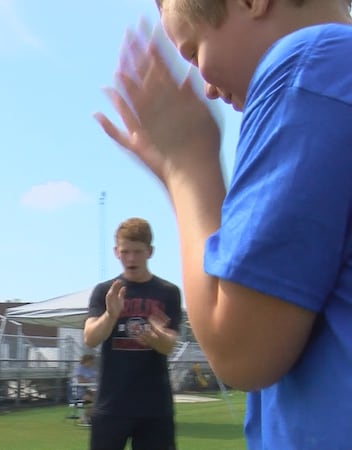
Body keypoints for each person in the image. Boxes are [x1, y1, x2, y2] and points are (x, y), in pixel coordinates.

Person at [93, 1, 352, 449]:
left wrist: (187, 168)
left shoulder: (308, 66)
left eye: (194, 52)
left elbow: (242, 351)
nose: (208, 89)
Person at [83, 217, 182, 450]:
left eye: (138, 252)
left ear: (150, 252)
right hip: (111, 406)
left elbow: (169, 345)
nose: (131, 258)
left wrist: (156, 338)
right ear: (116, 252)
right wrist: (111, 314)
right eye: (125, 251)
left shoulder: (168, 292)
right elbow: (90, 338)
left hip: (155, 408)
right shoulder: (105, 291)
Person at [70, 353, 97, 425]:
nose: (92, 363)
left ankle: (87, 417)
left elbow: (95, 378)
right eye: (91, 362)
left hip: (87, 390)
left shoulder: (89, 369)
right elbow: (80, 380)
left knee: (99, 398)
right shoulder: (79, 368)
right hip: (78, 392)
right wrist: (89, 381)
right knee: (96, 401)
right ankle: (84, 418)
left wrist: (90, 381)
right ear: (86, 361)